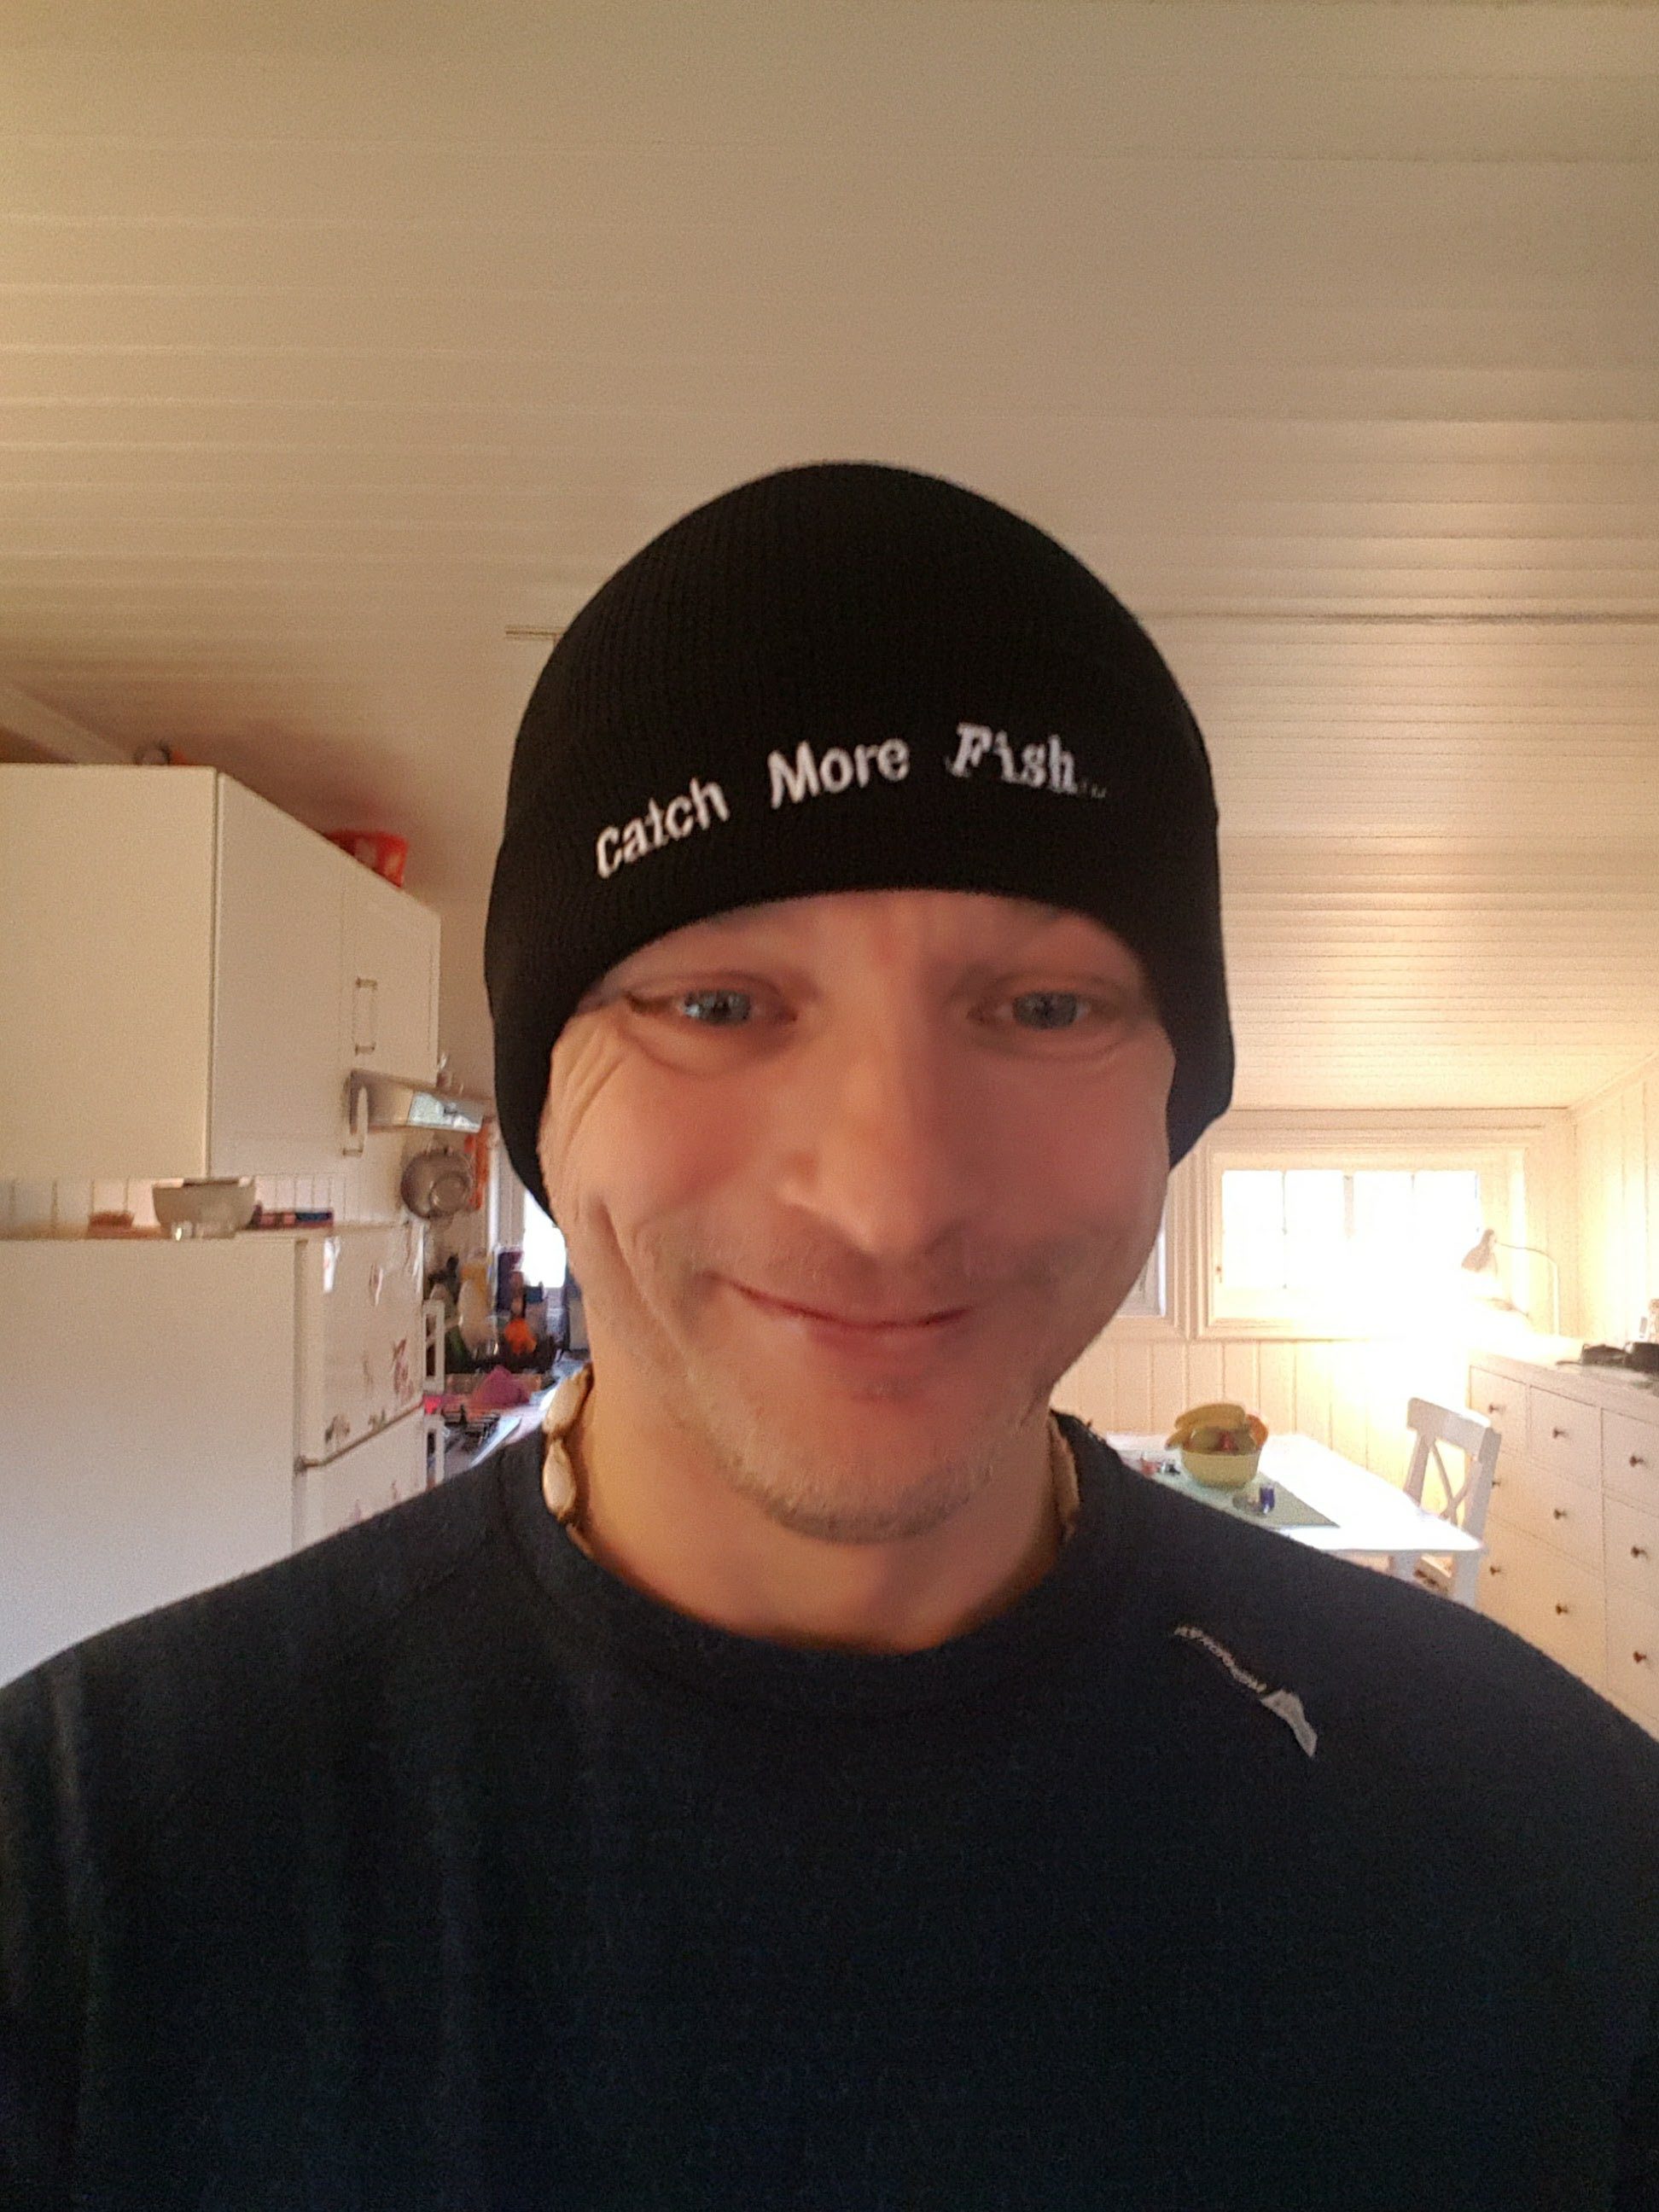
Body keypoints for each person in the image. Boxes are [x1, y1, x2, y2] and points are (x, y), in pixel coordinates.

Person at [3, 463, 1657, 2210]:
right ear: (548, 1099)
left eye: (1045, 1007)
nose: (888, 1199)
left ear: (1180, 1090)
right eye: (718, 1004)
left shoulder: (1558, 1862)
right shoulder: (86, 1895)